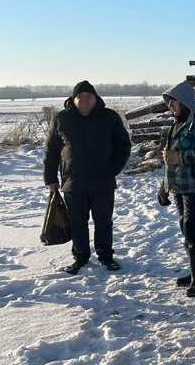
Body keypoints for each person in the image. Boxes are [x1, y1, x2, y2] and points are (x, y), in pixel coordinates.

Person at [43, 80, 131, 275]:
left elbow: (123, 145)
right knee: (77, 223)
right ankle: (80, 257)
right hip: (73, 182)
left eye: (88, 96)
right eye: (80, 97)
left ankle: (106, 256)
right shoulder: (61, 119)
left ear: (95, 98)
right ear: (73, 100)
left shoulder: (109, 117)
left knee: (103, 222)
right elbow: (51, 151)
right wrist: (50, 178)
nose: (84, 100)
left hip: (103, 182)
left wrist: (112, 169)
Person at [160, 81, 195, 297]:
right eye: (169, 102)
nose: (171, 105)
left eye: (174, 101)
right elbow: (169, 159)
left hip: (194, 185)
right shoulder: (175, 125)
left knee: (191, 228)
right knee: (186, 228)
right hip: (178, 186)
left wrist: (181, 157)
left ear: (185, 102)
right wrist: (164, 187)